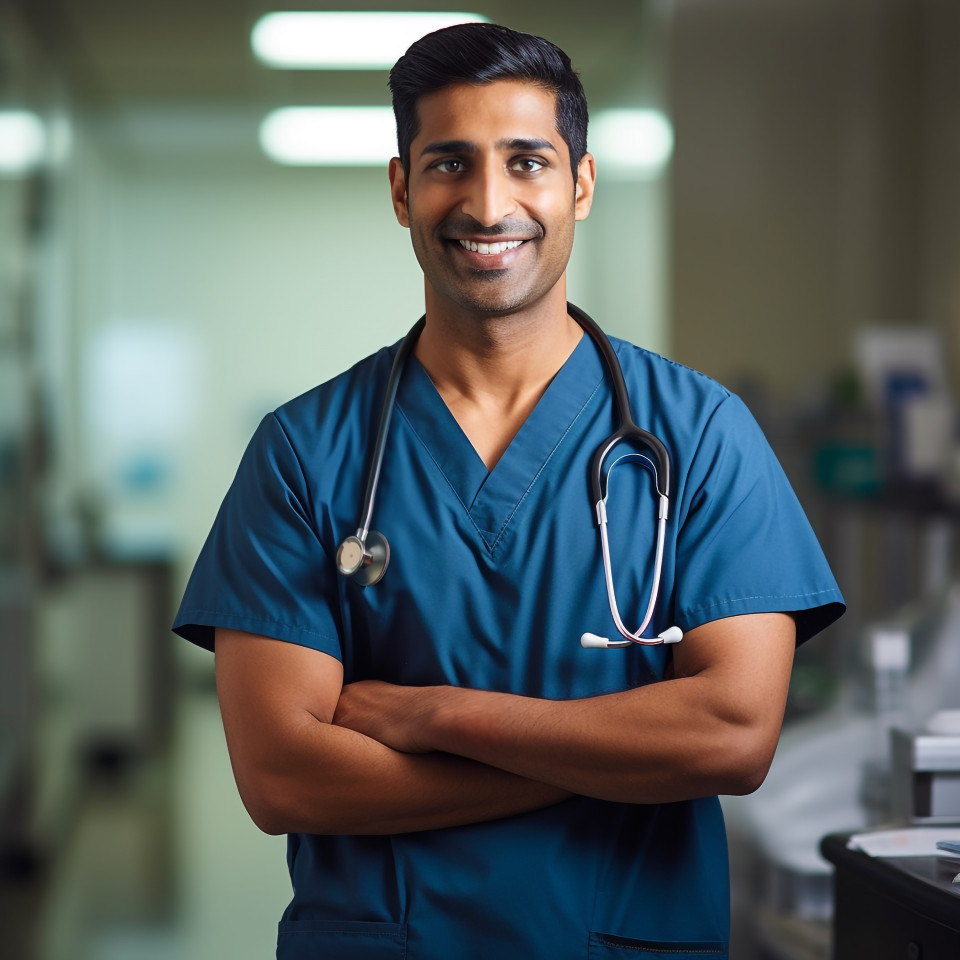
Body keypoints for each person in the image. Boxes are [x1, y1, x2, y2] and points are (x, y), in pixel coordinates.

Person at [173, 22, 844, 960]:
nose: (489, 205)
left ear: (580, 183)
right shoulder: (303, 452)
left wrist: (435, 715)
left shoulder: (696, 434)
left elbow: (731, 736)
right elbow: (284, 777)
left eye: (527, 161)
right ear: (403, 190)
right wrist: (613, 758)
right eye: (450, 163)